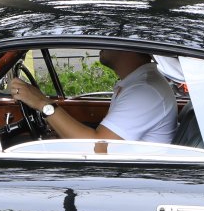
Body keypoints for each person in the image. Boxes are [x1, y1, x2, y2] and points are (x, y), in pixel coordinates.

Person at [11, 48, 177, 144]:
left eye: (110, 35)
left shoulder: (144, 91)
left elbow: (98, 147)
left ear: (126, 44)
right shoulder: (139, 84)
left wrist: (42, 103)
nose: (102, 43)